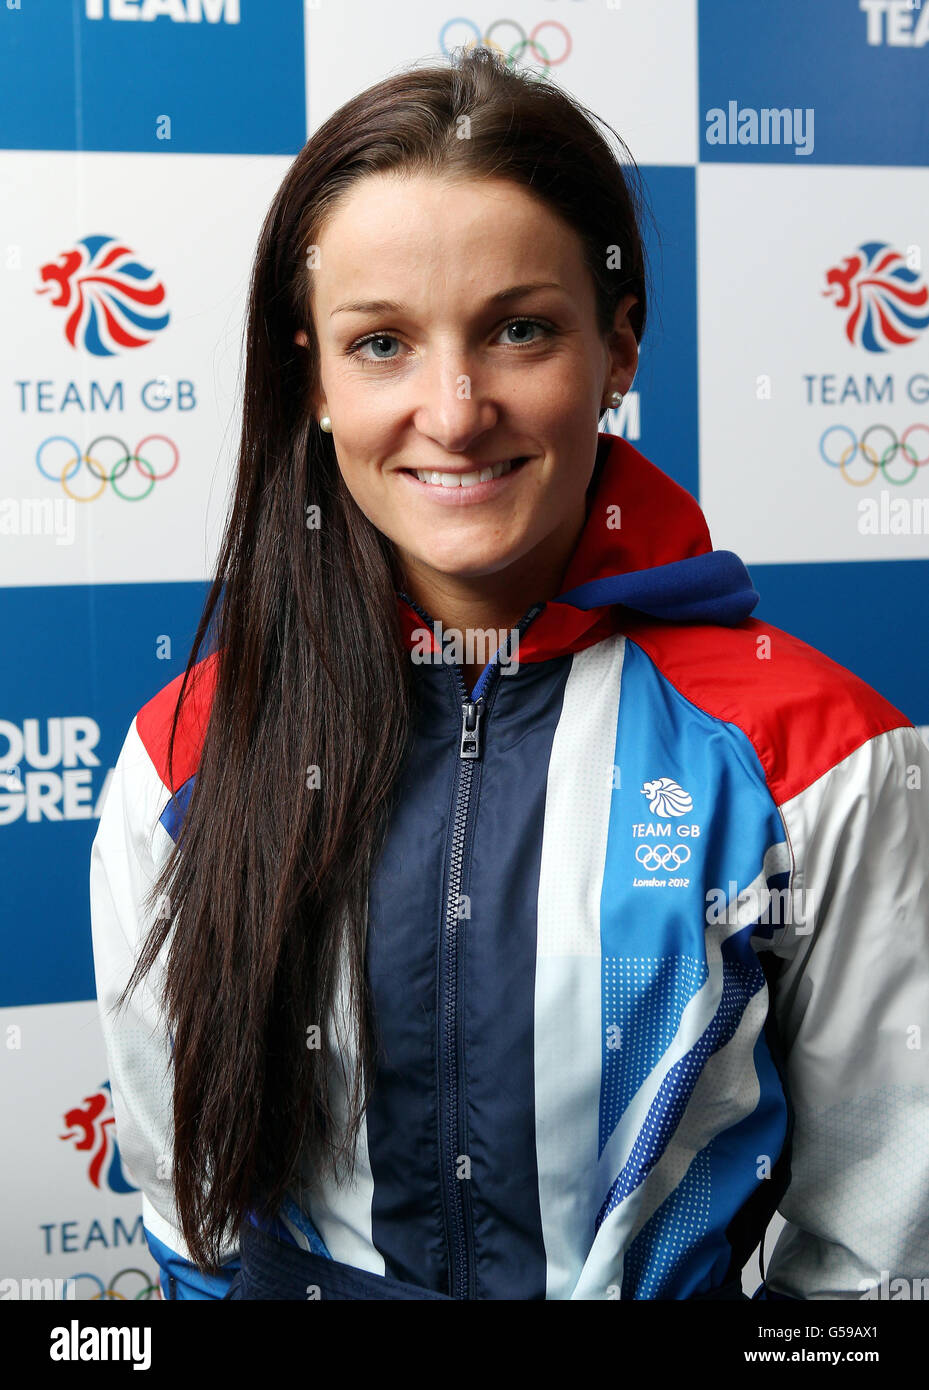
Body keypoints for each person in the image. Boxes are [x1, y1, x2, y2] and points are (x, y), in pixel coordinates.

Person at [89, 46, 929, 1302]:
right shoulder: (187, 751)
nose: (454, 406)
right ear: (310, 376)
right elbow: (186, 1211)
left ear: (619, 345)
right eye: (379, 343)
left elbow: (877, 1260)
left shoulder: (812, 752)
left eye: (519, 329)